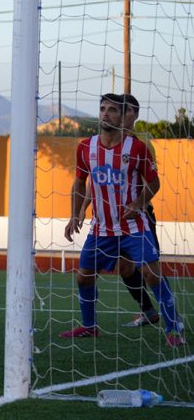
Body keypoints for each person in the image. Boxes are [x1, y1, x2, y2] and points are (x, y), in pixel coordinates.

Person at [61, 93, 185, 347]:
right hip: (101, 229)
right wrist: (76, 213)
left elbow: (154, 182)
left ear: (124, 117)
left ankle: (173, 329)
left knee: (152, 274)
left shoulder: (137, 148)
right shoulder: (86, 147)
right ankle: (89, 326)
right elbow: (80, 181)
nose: (105, 113)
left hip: (133, 227)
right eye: (103, 108)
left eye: (113, 110)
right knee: (84, 277)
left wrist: (139, 203)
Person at [76, 94, 162, 328]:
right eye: (103, 109)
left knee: (151, 269)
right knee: (124, 268)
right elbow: (98, 179)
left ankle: (172, 320)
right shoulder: (94, 145)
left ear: (132, 115)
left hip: (138, 216)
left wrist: (138, 204)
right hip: (107, 222)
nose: (110, 114)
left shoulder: (141, 144)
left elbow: (148, 179)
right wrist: (83, 206)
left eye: (125, 111)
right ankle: (148, 311)